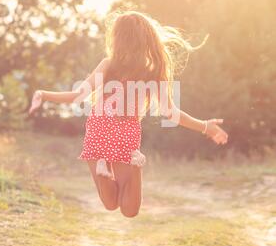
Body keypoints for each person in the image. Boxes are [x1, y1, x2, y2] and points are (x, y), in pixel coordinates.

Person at [29, 11, 228, 218]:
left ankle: (103, 170)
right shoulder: (155, 71)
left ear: (118, 39)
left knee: (110, 204)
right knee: (130, 211)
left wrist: (44, 94)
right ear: (147, 39)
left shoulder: (108, 65)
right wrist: (205, 126)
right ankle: (136, 164)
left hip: (99, 129)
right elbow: (171, 113)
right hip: (126, 134)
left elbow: (78, 96)